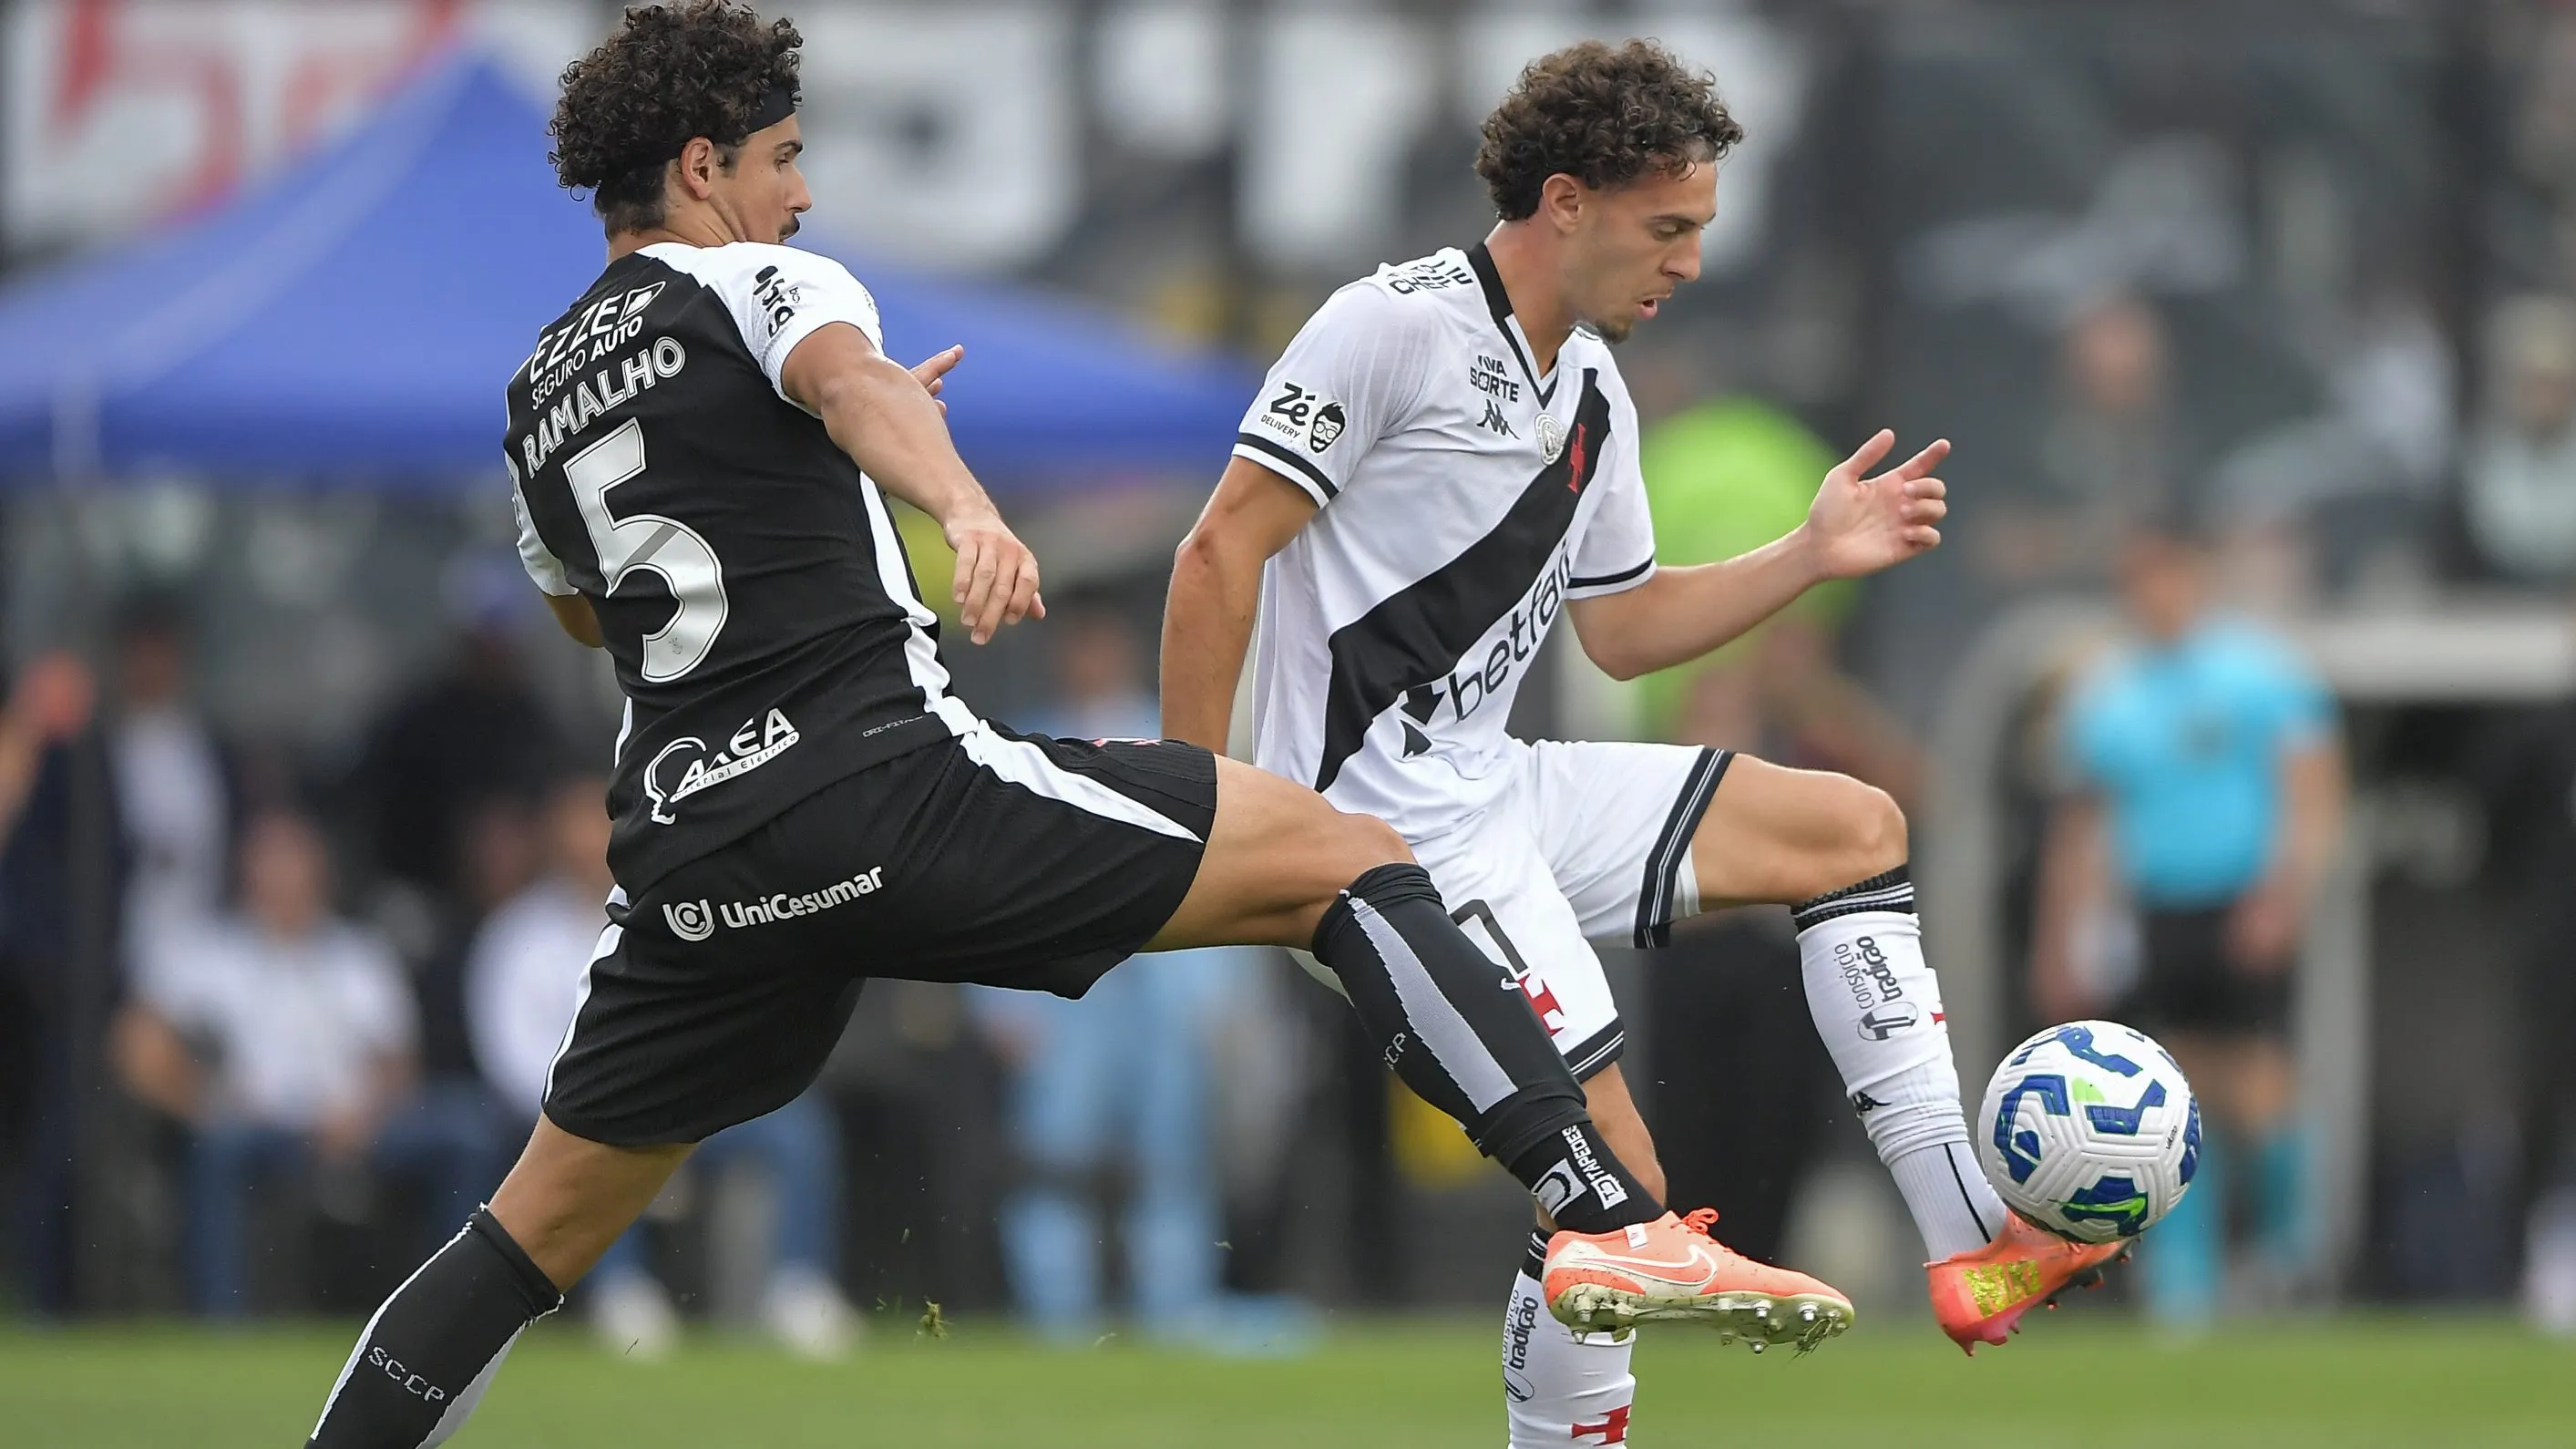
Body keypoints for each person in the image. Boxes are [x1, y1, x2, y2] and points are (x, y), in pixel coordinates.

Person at [301, 8, 1817, 1444]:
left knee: (522, 1237)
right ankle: (1612, 1217)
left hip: (695, 859)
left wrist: (837, 457)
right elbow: (841, 381)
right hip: (881, 788)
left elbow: (596, 609)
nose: (803, 192)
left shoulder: (538, 393)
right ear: (702, 169)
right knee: (1344, 852)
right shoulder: (767, 285)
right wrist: (945, 486)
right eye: (780, 160)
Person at [1159, 39, 2118, 1444]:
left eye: (1699, 233)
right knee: (1615, 1179)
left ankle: (1967, 1234)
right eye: (1666, 228)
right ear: (1566, 202)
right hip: (1380, 831)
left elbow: (1620, 629)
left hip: (1494, 785)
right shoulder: (1392, 324)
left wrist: (1804, 552)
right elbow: (1215, 552)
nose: (1684, 263)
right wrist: (1205, 808)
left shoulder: (1594, 391)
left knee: (1850, 828)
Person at [2031, 519, 2344, 1324]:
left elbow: (2310, 792)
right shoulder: (2104, 691)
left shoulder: (2258, 673)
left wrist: (2284, 894)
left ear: (2195, 575)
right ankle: (2186, 1282)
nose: (2152, 593)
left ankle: (2287, 1253)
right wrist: (2062, 933)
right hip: (2157, 908)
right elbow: (2080, 826)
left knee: (2262, 1082)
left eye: (2165, 574)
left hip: (2240, 900)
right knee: (2170, 1099)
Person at [468, 775, 858, 1359]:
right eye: (578, 820)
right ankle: (622, 1293)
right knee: (605, 1136)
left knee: (798, 1133)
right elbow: (510, 1055)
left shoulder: (673, 908)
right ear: (553, 834)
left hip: (685, 1102)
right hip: (572, 1114)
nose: (593, 836)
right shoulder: (518, 933)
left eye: (604, 816)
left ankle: (798, 1288)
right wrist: (594, 1102)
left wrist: (693, 1100)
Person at [970, 604, 1274, 1346]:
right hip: (1066, 990)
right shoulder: (1022, 744)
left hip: (1168, 987)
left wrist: (1226, 996)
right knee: (1055, 1157)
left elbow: (1226, 867)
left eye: (1102, 642)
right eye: (1078, 644)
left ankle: (1175, 1309)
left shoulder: (1173, 734)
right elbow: (985, 885)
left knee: (1173, 1158)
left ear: (1126, 647)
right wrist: (994, 1003)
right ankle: (1058, 1316)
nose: (1091, 658)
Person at [113, 809, 497, 1316]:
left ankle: (450, 1311)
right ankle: (221, 1320)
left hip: (357, 1124)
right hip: (261, 1124)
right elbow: (135, 1048)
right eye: (269, 859)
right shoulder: (207, 954)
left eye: (295, 859)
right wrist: (207, 1101)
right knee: (220, 1146)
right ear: (243, 869)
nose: (283, 874)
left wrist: (362, 1115)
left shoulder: (357, 953)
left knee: (467, 1127)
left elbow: (398, 1062)